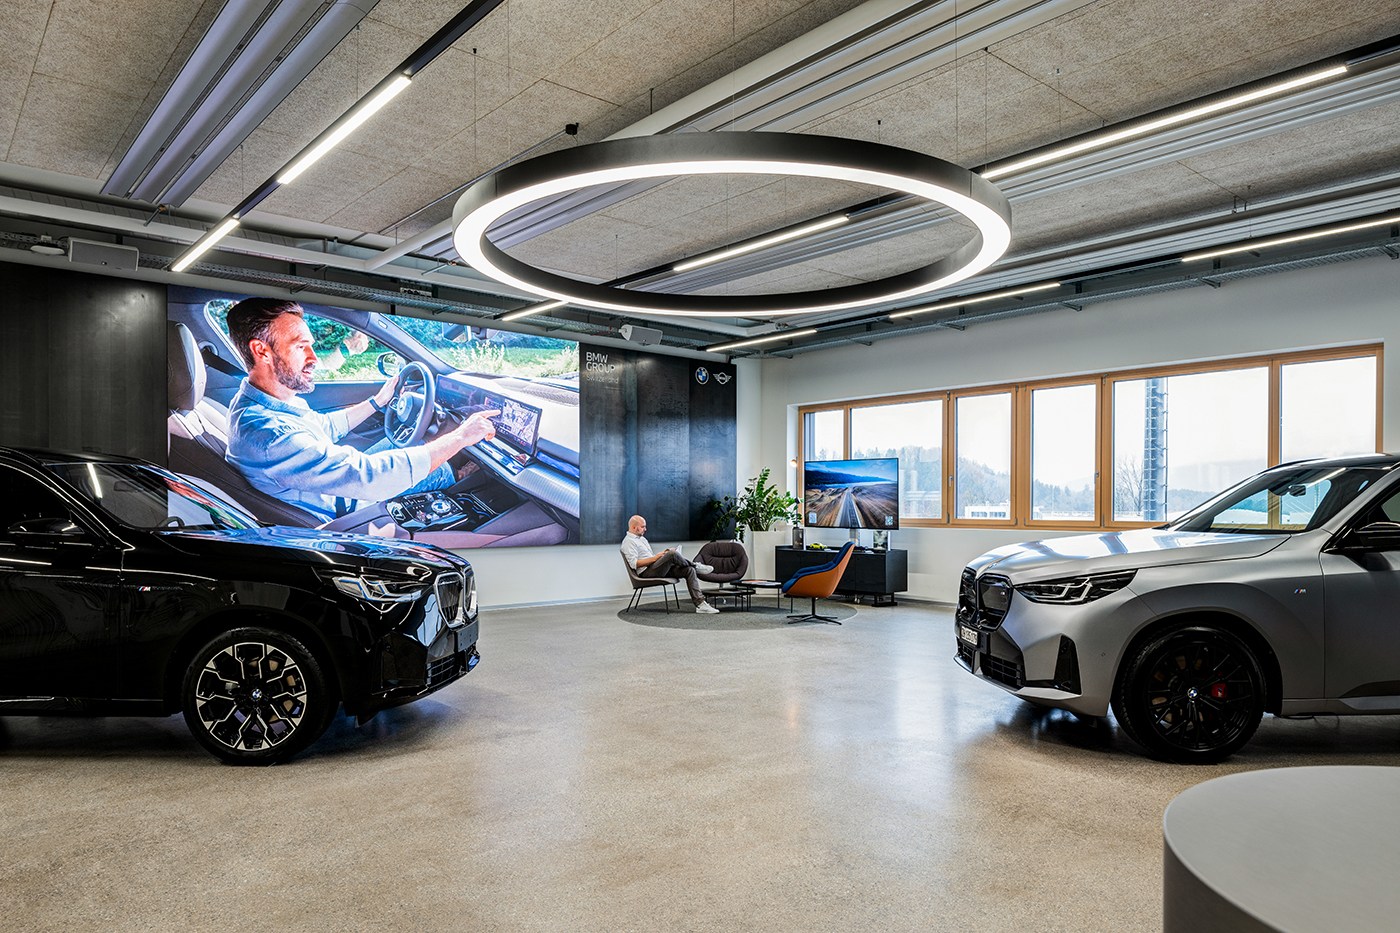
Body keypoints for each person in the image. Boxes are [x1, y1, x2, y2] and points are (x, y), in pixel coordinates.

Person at [222, 297, 499, 522]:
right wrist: (461, 437)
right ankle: (461, 476)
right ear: (262, 351)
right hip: (351, 510)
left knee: (403, 442)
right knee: (443, 470)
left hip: (337, 486)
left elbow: (323, 426)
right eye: (301, 346)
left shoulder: (262, 402)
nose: (314, 357)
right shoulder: (269, 433)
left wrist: (378, 401)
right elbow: (371, 478)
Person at [621, 514, 718, 613]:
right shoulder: (629, 542)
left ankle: (700, 605)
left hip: (654, 568)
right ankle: (695, 565)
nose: (645, 529)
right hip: (646, 573)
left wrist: (663, 554)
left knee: (689, 570)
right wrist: (656, 558)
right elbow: (634, 564)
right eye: (642, 527)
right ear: (634, 527)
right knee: (672, 554)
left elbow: (650, 558)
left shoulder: (642, 539)